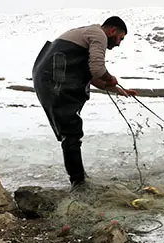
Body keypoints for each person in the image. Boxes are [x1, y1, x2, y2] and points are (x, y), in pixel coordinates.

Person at [32, 16, 137, 190]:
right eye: (120, 38)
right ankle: (78, 182)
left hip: (49, 78)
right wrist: (110, 78)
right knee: (71, 132)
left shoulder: (86, 35)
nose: (119, 43)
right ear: (112, 31)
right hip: (55, 80)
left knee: (71, 130)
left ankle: (78, 177)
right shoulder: (99, 34)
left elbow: (92, 76)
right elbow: (98, 69)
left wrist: (119, 90)